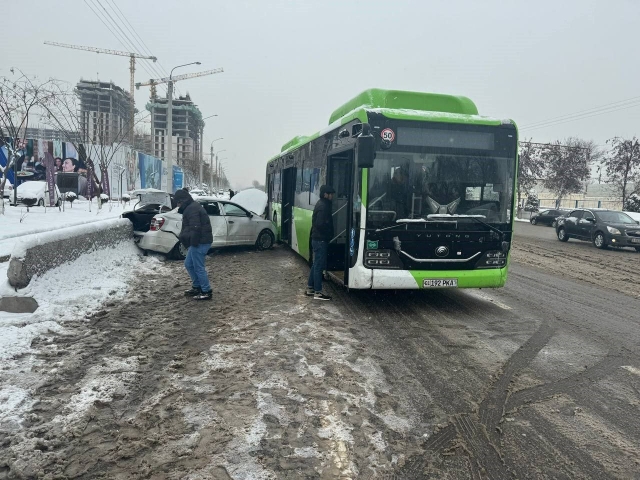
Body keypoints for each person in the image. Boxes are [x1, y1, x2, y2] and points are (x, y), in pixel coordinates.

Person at [174, 189, 214, 301]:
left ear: (182, 201)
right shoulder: (190, 207)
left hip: (200, 242)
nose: (177, 205)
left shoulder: (192, 209)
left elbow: (195, 227)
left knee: (198, 267)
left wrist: (193, 243)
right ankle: (197, 286)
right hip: (198, 241)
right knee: (188, 264)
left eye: (178, 202)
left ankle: (206, 291)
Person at [306, 184, 335, 301]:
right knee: (319, 265)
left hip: (317, 239)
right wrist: (328, 233)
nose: (332, 196)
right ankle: (318, 292)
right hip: (320, 240)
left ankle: (310, 288)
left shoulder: (321, 203)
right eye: (331, 194)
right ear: (325, 195)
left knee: (315, 264)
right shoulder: (323, 206)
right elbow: (320, 224)